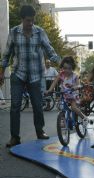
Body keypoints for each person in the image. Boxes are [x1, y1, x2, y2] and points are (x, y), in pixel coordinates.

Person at [0, 5, 60, 147]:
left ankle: (40, 131)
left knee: (38, 105)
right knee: (15, 106)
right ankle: (15, 137)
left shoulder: (40, 32)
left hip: (35, 75)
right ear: (22, 19)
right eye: (28, 21)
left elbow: (49, 51)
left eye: (33, 20)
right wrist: (1, 72)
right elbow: (6, 55)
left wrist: (61, 62)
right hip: (18, 74)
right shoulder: (14, 32)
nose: (31, 23)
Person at [46, 56, 89, 125]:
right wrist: (49, 90)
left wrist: (75, 87)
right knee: (62, 107)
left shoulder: (75, 76)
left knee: (73, 107)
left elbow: (78, 85)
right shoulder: (61, 74)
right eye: (65, 68)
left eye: (69, 68)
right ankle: (63, 120)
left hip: (73, 96)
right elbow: (54, 82)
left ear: (72, 68)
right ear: (62, 67)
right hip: (64, 95)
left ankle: (84, 118)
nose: (67, 70)